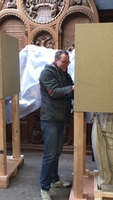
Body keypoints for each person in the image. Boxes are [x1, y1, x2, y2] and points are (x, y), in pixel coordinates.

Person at [39, 50, 74, 200]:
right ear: (56, 60)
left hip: (61, 118)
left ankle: (54, 180)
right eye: (64, 62)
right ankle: (44, 188)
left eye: (68, 62)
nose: (66, 65)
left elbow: (71, 89)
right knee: (50, 154)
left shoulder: (64, 74)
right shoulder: (47, 73)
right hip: (50, 119)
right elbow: (53, 92)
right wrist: (72, 88)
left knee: (57, 152)